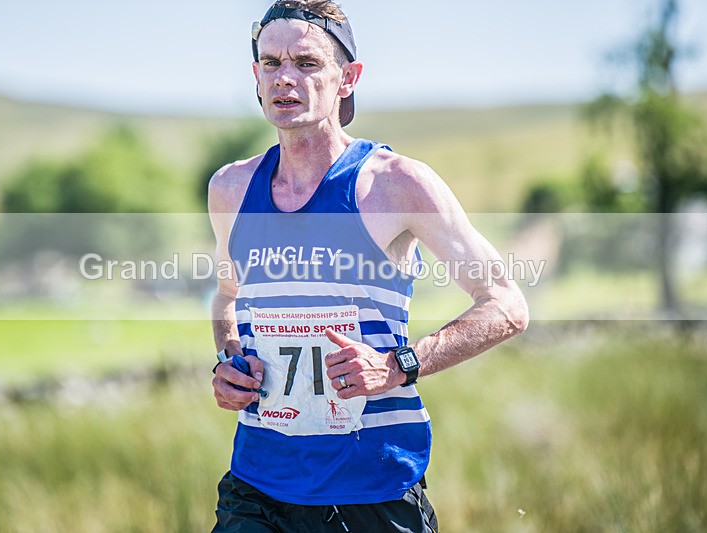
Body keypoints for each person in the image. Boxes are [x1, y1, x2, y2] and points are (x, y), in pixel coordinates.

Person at [207, 1, 529, 531]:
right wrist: (230, 360)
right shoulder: (231, 189)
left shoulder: (395, 183)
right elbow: (228, 298)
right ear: (256, 76)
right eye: (271, 63)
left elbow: (507, 305)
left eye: (307, 63)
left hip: (371, 488)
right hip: (256, 487)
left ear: (348, 78)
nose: (285, 78)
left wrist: (397, 365)